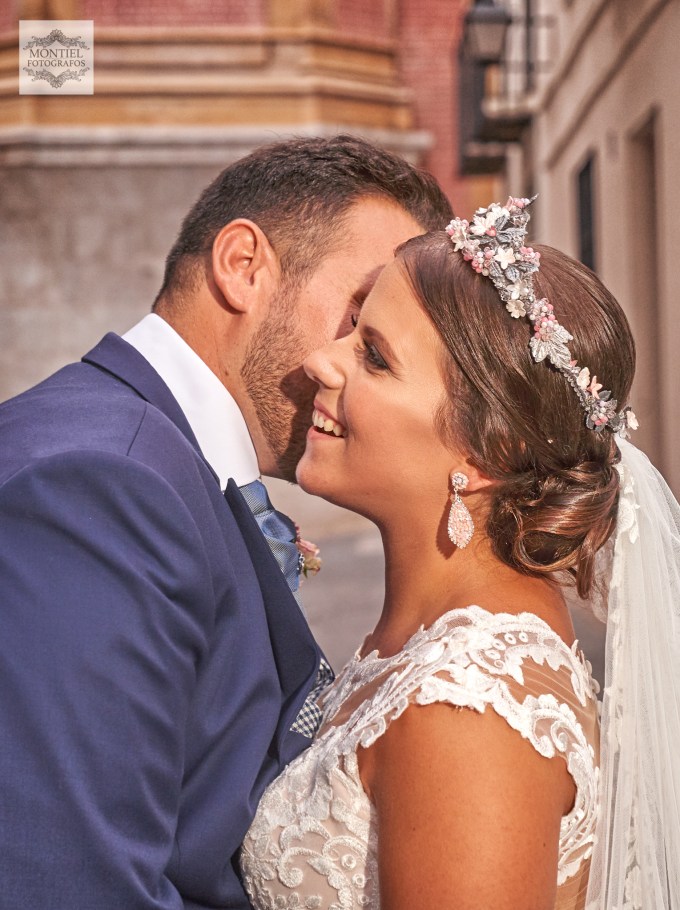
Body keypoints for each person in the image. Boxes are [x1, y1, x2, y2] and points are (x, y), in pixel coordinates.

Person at [0, 135, 453, 909]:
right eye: (358, 318)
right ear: (242, 266)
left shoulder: (161, 464)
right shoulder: (101, 486)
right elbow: (68, 884)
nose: (348, 368)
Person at [240, 197, 680, 909]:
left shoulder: (467, 708)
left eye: (374, 356)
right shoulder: (435, 637)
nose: (321, 361)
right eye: (352, 328)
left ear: (487, 452)